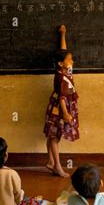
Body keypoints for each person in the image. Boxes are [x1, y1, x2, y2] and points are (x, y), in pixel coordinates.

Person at [43, 24, 79, 178]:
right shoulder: (62, 77)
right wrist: (65, 114)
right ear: (61, 64)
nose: (72, 62)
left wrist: (63, 35)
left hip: (58, 106)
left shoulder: (63, 69)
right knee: (55, 137)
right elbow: (63, 98)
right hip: (60, 108)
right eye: (69, 60)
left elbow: (63, 51)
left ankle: (51, 161)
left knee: (52, 135)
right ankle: (57, 166)